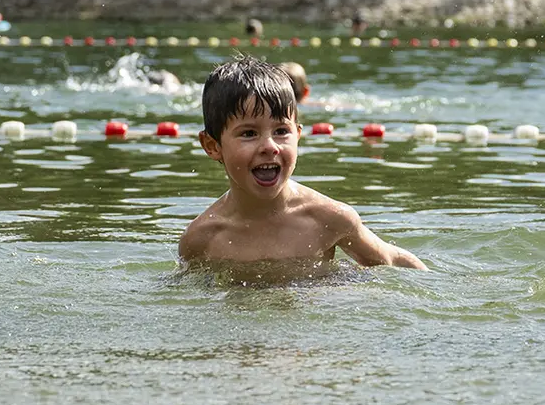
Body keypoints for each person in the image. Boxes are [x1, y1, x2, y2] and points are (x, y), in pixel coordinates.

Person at [178, 57, 423, 269]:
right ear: (212, 146)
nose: (270, 146)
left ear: (298, 134)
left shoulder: (329, 218)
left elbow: (392, 261)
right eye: (249, 134)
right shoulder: (202, 239)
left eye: (281, 131)